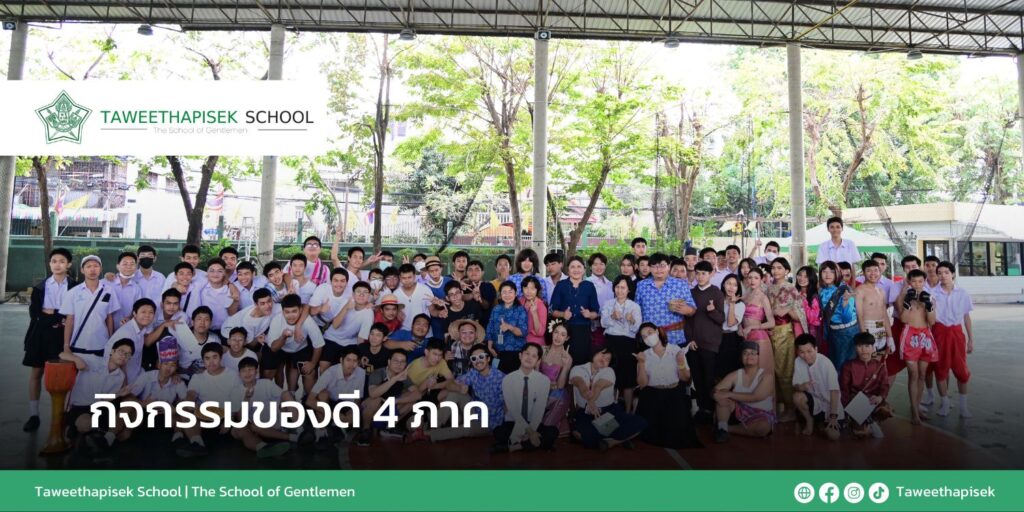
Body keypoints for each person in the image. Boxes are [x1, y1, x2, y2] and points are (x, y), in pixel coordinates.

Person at [22, 248, 78, 432]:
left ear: (68, 264)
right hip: (40, 334)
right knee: (36, 373)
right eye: (54, 261)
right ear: (50, 264)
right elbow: (35, 313)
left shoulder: (76, 286)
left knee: (65, 376)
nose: (57, 264)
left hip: (64, 336)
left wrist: (52, 313)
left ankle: (62, 416)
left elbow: (75, 312)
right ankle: (34, 415)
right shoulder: (40, 287)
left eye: (62, 261)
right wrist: (59, 317)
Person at [60, 338, 134, 458]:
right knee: (86, 425)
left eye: (127, 354)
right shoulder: (93, 359)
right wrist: (78, 360)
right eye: (121, 351)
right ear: (112, 351)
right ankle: (89, 432)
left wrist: (118, 394)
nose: (123, 356)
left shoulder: (120, 376)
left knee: (125, 431)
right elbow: (62, 354)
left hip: (99, 407)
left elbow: (101, 398)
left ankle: (105, 439)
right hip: (80, 407)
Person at [635, 323, 701, 448]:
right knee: (649, 433)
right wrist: (641, 364)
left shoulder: (675, 349)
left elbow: (685, 378)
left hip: (673, 394)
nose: (648, 337)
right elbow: (642, 385)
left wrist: (681, 363)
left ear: (657, 331)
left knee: (680, 435)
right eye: (644, 336)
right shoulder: (644, 355)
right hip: (653, 396)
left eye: (649, 333)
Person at [569, 348, 647, 451]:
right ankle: (619, 436)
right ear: (594, 353)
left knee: (640, 422)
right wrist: (588, 397)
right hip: (585, 412)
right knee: (578, 433)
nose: (603, 359)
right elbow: (580, 383)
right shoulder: (577, 368)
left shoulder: (609, 371)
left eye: (607, 359)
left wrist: (591, 401)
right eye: (602, 355)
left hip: (607, 411)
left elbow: (598, 386)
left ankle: (612, 442)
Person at [179, 343, 243, 457]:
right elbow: (191, 394)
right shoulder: (198, 377)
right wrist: (190, 403)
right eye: (207, 358)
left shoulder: (232, 375)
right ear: (203, 360)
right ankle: (197, 443)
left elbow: (237, 400)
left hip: (225, 418)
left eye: (215, 357)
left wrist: (229, 419)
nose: (211, 362)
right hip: (203, 417)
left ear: (221, 358)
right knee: (184, 408)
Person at [494, 344, 557, 452]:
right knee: (499, 432)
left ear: (538, 361)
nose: (529, 358)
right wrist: (530, 432)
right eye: (527, 353)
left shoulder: (544, 381)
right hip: (514, 421)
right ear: (520, 355)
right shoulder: (508, 379)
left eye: (534, 356)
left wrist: (532, 429)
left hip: (533, 422)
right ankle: (531, 444)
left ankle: (515, 446)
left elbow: (539, 409)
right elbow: (513, 409)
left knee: (553, 432)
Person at [229, 357, 297, 458]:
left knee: (286, 393)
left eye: (250, 369)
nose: (247, 373)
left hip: (278, 423)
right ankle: (286, 440)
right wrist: (246, 399)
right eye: (243, 371)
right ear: (239, 374)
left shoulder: (266, 383)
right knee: (248, 427)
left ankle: (300, 430)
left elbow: (284, 397)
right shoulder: (235, 391)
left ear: (256, 371)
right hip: (260, 428)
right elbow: (240, 418)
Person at [931, 261, 974, 418]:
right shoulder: (932, 293)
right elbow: (929, 318)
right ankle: (945, 403)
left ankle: (963, 407)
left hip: (956, 333)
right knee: (940, 369)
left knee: (961, 370)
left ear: (953, 274)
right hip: (939, 333)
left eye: (946, 272)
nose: (943, 276)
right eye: (939, 273)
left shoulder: (962, 293)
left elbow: (966, 317)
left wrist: (970, 339)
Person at [61, 255, 120, 367]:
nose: (92, 269)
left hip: (101, 344)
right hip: (78, 344)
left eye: (96, 266)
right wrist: (66, 345)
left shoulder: (109, 291)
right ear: (82, 270)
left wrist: (110, 342)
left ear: (101, 269)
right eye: (88, 266)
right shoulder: (73, 292)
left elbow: (109, 318)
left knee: (99, 376)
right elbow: (70, 320)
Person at [896, 269, 938, 425]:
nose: (917, 284)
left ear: (924, 282)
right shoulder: (903, 297)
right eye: (914, 281)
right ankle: (914, 412)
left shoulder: (930, 297)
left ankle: (917, 407)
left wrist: (929, 306)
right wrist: (907, 303)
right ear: (909, 282)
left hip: (925, 335)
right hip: (910, 335)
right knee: (913, 374)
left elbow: (932, 322)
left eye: (920, 281)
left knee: (922, 374)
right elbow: (903, 319)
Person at [767, 257, 806, 421]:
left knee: (785, 370)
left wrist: (787, 310)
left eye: (779, 268)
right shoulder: (768, 288)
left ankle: (790, 408)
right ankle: (776, 406)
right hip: (769, 332)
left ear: (787, 271)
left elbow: (800, 315)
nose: (775, 271)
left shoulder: (791, 289)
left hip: (785, 333)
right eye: (773, 268)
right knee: (771, 370)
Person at [713, 342, 776, 443]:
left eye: (753, 353)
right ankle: (722, 429)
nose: (749, 356)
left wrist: (729, 393)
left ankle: (726, 428)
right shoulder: (735, 374)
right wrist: (716, 395)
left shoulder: (766, 376)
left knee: (763, 428)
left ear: (758, 357)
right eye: (745, 353)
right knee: (722, 399)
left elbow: (756, 396)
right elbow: (716, 390)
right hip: (738, 410)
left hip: (760, 414)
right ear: (741, 357)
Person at [635, 252, 697, 351]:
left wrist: (686, 310)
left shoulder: (680, 284)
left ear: (669, 266)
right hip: (650, 340)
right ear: (650, 268)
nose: (658, 269)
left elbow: (693, 310)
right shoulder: (641, 286)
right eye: (654, 266)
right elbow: (637, 311)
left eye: (662, 266)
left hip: (675, 338)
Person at [264, 294, 324, 394]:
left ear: (300, 310)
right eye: (287, 312)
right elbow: (274, 348)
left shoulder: (308, 321)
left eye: (294, 311)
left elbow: (319, 344)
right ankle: (279, 395)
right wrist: (283, 337)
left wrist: (313, 363)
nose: (291, 315)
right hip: (281, 349)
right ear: (282, 311)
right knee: (270, 369)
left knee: (309, 372)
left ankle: (308, 398)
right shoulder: (277, 320)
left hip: (300, 349)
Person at [307, 346, 366, 449]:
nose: (351, 364)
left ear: (358, 362)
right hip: (329, 403)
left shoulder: (361, 373)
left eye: (355, 361)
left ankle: (337, 428)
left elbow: (358, 398)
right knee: (322, 395)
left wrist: (352, 413)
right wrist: (335, 415)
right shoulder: (330, 372)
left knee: (353, 418)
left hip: (346, 405)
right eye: (348, 360)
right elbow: (310, 401)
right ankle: (321, 431)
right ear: (341, 360)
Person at [356, 350, 417, 446]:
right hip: (371, 411)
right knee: (375, 400)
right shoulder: (379, 372)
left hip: (388, 408)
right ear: (389, 361)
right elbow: (373, 394)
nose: (399, 364)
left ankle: (389, 428)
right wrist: (394, 379)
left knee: (411, 401)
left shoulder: (404, 376)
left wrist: (395, 401)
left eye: (402, 362)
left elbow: (417, 394)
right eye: (396, 361)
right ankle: (366, 430)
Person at [689, 261, 725, 419]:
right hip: (694, 343)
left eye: (704, 273)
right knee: (697, 377)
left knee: (709, 377)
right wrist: (690, 339)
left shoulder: (716, 292)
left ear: (711, 274)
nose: (700, 276)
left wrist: (712, 311)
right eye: (697, 273)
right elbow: (687, 320)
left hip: (710, 343)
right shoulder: (690, 292)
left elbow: (721, 319)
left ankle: (711, 410)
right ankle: (702, 409)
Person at [600, 275, 642, 413]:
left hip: (628, 344)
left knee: (628, 379)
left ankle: (628, 411)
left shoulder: (634, 306)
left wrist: (631, 320)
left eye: (623, 287)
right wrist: (612, 317)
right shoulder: (608, 304)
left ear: (629, 290)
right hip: (611, 342)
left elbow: (637, 328)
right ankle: (610, 410)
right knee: (611, 376)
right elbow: (603, 323)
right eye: (617, 287)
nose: (619, 290)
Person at [550, 256, 601, 366]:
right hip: (564, 330)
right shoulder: (561, 285)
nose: (576, 270)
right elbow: (552, 310)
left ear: (584, 269)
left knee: (581, 362)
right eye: (572, 267)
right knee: (562, 363)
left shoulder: (589, 286)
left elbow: (596, 312)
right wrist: (563, 314)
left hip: (583, 331)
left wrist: (589, 314)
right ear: (568, 270)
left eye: (579, 267)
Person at [840, 333, 891, 439]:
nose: (864, 350)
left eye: (867, 346)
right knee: (861, 434)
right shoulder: (848, 366)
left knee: (886, 410)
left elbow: (885, 386)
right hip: (854, 400)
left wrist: (880, 397)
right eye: (860, 346)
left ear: (873, 348)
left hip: (872, 400)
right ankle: (865, 422)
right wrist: (845, 409)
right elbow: (844, 389)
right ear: (855, 348)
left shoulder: (880, 366)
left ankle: (869, 420)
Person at [792, 334, 842, 440]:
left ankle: (822, 423)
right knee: (797, 396)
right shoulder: (798, 361)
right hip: (814, 401)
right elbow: (796, 386)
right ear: (798, 352)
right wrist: (802, 386)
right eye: (802, 352)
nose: (806, 356)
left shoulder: (826, 363)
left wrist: (833, 416)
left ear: (816, 349)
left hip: (830, 404)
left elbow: (834, 392)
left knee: (833, 435)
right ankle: (809, 420)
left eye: (809, 351)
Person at [320, 281, 375, 374]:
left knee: (345, 370)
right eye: (358, 291)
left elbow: (361, 338)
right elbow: (335, 325)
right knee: (324, 367)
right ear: (353, 294)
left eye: (365, 292)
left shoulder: (369, 313)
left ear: (369, 296)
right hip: (331, 338)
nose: (361, 295)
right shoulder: (346, 301)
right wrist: (346, 308)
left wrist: (360, 355)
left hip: (349, 343)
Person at [448, 344, 505, 434]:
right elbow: (450, 384)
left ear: (488, 359)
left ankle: (431, 435)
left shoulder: (500, 377)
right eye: (474, 358)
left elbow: (509, 403)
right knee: (454, 394)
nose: (478, 361)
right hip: (474, 413)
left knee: (465, 430)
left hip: (489, 423)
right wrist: (459, 388)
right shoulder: (473, 373)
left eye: (481, 357)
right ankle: (435, 424)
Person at [887, 255, 923, 382]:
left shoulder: (924, 286)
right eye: (907, 267)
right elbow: (898, 309)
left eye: (914, 266)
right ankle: (884, 394)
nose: (911, 269)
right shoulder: (896, 286)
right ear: (903, 269)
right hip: (899, 325)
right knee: (892, 364)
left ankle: (920, 394)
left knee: (919, 368)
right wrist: (904, 289)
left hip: (919, 327)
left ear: (919, 267)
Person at [105, 298, 157, 383]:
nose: (147, 315)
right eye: (143, 312)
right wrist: (125, 386)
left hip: (135, 377)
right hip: (118, 383)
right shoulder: (127, 334)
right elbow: (119, 363)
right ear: (134, 313)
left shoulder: (141, 329)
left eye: (151, 312)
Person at [855, 259, 896, 364]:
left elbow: (885, 315)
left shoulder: (881, 291)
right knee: (866, 363)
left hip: (881, 329)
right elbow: (859, 315)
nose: (873, 273)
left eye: (875, 270)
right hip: (867, 328)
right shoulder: (860, 290)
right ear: (863, 273)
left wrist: (890, 337)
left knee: (878, 363)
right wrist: (865, 338)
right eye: (869, 270)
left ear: (880, 272)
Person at [819, 261, 858, 368]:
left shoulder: (844, 289)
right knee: (834, 365)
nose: (827, 274)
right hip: (833, 332)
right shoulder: (822, 291)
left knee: (846, 368)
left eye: (831, 271)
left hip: (847, 331)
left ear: (837, 273)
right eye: (824, 271)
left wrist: (845, 303)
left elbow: (846, 318)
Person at [540, 321, 573, 436]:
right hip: (539, 389)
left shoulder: (567, 357)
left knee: (560, 394)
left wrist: (565, 366)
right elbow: (534, 375)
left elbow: (560, 386)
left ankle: (544, 429)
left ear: (567, 338)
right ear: (552, 333)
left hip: (555, 393)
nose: (558, 337)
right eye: (556, 332)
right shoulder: (542, 350)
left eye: (563, 335)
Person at [487, 282, 528, 374]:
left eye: (510, 292)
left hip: (515, 352)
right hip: (497, 351)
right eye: (504, 292)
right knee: (497, 377)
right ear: (500, 294)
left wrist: (510, 327)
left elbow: (523, 332)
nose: (507, 295)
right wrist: (490, 346)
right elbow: (490, 327)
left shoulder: (520, 309)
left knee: (512, 380)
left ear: (515, 293)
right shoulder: (496, 309)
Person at [739, 267, 774, 373]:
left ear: (761, 280)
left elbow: (772, 323)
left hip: (759, 337)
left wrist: (751, 327)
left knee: (761, 373)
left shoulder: (763, 298)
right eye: (750, 277)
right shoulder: (745, 296)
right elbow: (739, 315)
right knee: (749, 373)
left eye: (756, 278)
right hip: (745, 336)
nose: (752, 280)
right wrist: (739, 327)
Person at [195, 257, 241, 333]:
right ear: (207, 273)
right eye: (212, 271)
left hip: (226, 330)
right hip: (205, 331)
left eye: (219, 271)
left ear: (224, 273)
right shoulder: (201, 288)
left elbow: (232, 313)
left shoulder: (230, 290)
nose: (215, 274)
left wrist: (235, 301)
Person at [103, 251, 143, 327]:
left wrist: (130, 318)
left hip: (125, 329)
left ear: (136, 267)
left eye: (132, 264)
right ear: (118, 266)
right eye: (125, 264)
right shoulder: (105, 283)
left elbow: (137, 309)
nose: (129, 267)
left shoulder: (136, 288)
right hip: (103, 329)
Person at [718, 274, 745, 379]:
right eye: (728, 283)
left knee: (730, 372)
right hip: (716, 337)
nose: (731, 287)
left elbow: (730, 323)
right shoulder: (718, 301)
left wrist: (732, 304)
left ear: (738, 288)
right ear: (723, 285)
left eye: (735, 285)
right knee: (716, 372)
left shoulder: (740, 305)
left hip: (731, 339)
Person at [795, 266, 823, 353]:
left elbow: (812, 318)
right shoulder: (796, 292)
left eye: (806, 276)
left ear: (811, 278)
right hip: (796, 330)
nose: (802, 278)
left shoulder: (814, 296)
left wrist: (804, 302)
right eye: (800, 275)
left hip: (810, 332)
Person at [465, 260, 497, 326]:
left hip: (485, 325)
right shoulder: (463, 287)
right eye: (470, 270)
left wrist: (479, 297)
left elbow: (486, 306)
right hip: (466, 325)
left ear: (482, 272)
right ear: (466, 273)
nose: (473, 272)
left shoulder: (488, 286)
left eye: (477, 270)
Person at [520, 276, 548, 347]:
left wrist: (534, 313)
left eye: (532, 288)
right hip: (520, 341)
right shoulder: (521, 301)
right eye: (526, 288)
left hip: (535, 344)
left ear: (537, 290)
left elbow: (540, 333)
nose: (529, 291)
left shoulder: (541, 306)